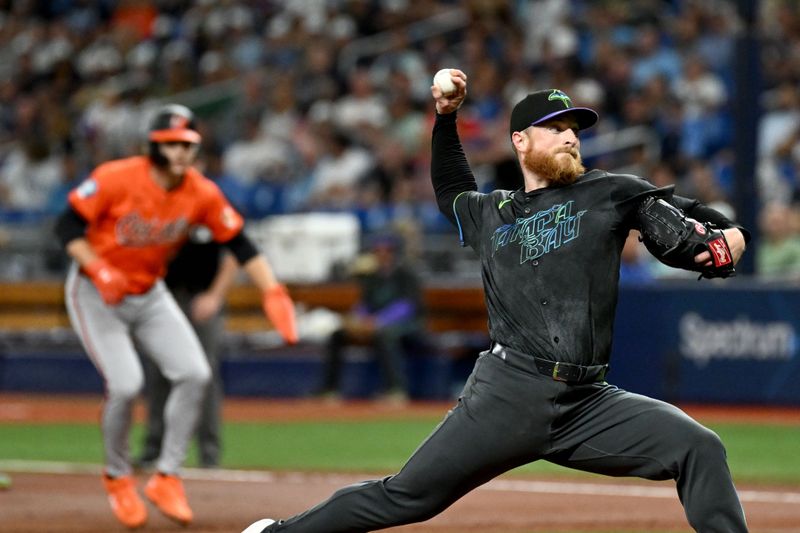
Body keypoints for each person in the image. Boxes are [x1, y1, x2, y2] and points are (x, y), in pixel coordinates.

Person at [241, 74, 751, 533]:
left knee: (698, 446)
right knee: (407, 497)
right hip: (507, 396)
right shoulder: (493, 212)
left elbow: (700, 220)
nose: (571, 135)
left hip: (587, 402)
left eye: (575, 127)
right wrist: (445, 118)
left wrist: (731, 238)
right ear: (521, 142)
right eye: (555, 127)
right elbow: (451, 188)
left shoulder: (612, 191)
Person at [54, 103, 299, 530]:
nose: (181, 152)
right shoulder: (117, 177)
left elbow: (240, 243)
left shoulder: (200, 191)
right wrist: (97, 267)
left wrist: (271, 289)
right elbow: (66, 227)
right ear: (154, 145)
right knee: (127, 383)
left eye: (188, 144)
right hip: (96, 292)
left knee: (194, 373)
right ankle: (117, 477)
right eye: (172, 144)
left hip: (149, 293)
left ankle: (167, 476)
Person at [136, 236, 239, 470]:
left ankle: (209, 455)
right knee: (159, 372)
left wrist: (215, 295)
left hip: (202, 297)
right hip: (163, 297)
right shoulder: (162, 208)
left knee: (205, 375)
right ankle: (154, 450)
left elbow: (236, 253)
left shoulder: (211, 206)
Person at [317, 234, 424, 403]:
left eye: (386, 250)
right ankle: (329, 390)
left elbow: (406, 307)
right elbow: (364, 305)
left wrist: (378, 321)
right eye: (378, 251)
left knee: (385, 335)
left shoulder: (406, 275)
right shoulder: (372, 277)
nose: (382, 255)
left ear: (394, 252)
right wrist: (357, 320)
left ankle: (396, 390)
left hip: (407, 325)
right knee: (338, 335)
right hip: (374, 324)